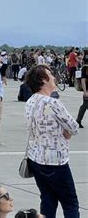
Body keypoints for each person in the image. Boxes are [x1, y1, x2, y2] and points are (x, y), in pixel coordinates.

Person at [25, 65, 80, 218]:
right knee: (70, 202)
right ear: (43, 80)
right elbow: (74, 127)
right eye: (51, 75)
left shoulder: (30, 102)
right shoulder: (52, 103)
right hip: (56, 161)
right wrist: (66, 132)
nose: (54, 77)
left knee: (48, 200)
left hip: (36, 158)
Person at [75, 57, 87, 128]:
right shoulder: (85, 69)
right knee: (85, 105)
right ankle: (78, 120)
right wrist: (85, 92)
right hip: (87, 89)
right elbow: (83, 81)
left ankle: (78, 120)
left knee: (85, 105)